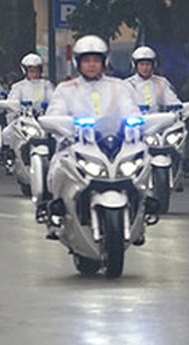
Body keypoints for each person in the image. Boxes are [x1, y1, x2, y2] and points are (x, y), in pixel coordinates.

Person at [41, 35, 141, 235]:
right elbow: (54, 114)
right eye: (87, 60)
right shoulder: (65, 89)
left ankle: (141, 214)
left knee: (142, 164)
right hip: (75, 145)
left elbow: (131, 109)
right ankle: (55, 213)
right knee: (56, 168)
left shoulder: (119, 87)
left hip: (113, 146)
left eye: (96, 60)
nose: (92, 65)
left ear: (104, 62)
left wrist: (135, 121)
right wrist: (61, 125)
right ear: (78, 63)